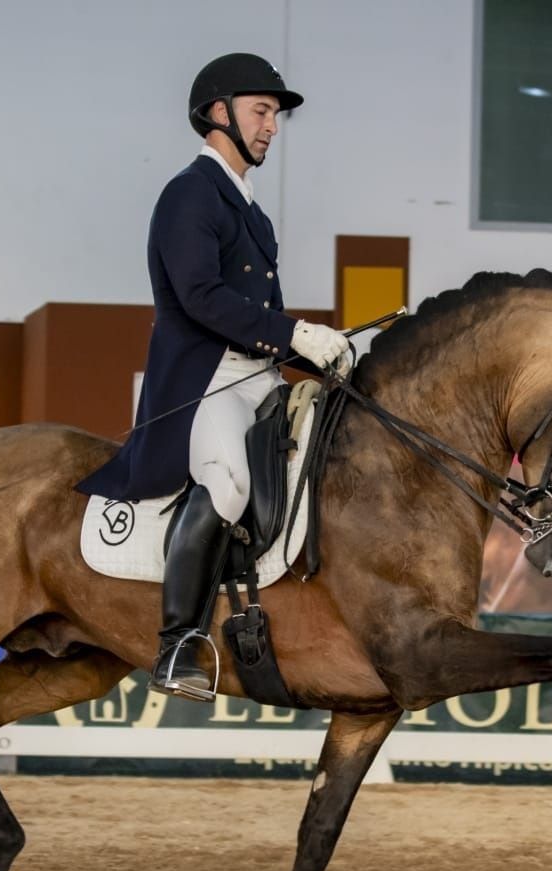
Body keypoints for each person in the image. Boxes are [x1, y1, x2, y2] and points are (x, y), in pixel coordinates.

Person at [75, 53, 352, 701]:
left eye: (275, 116)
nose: (272, 127)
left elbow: (257, 313)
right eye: (263, 112)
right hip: (205, 384)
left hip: (257, 378)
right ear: (217, 112)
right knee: (228, 483)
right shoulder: (190, 194)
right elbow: (200, 296)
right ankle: (177, 647)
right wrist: (295, 332)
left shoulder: (251, 212)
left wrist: (323, 352)